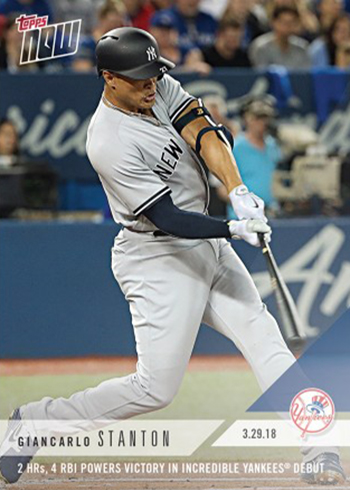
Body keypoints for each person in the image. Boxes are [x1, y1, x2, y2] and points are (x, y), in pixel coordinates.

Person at [0, 27, 345, 486]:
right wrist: (233, 227)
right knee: (155, 389)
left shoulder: (155, 86)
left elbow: (204, 131)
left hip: (207, 241)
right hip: (156, 256)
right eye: (139, 77)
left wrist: (237, 190)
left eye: (153, 73)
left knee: (266, 341)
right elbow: (166, 217)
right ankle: (34, 423)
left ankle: (319, 446)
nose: (151, 83)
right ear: (109, 78)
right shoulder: (106, 140)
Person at [215, 98, 281, 220]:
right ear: (246, 118)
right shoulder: (234, 147)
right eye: (257, 118)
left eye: (265, 118)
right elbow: (222, 188)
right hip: (243, 220)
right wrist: (246, 206)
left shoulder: (274, 146)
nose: (262, 122)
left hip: (274, 216)